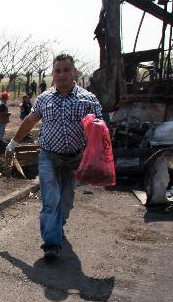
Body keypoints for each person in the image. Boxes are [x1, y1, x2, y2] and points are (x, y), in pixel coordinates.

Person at [6, 54, 103, 260]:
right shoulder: (44, 99)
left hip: (75, 159)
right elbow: (30, 121)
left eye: (66, 70)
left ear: (74, 72)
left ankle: (58, 226)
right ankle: (51, 243)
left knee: (66, 203)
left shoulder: (88, 99)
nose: (61, 74)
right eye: (57, 71)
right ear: (53, 73)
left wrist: (99, 156)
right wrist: (14, 142)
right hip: (48, 157)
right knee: (50, 201)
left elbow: (100, 129)